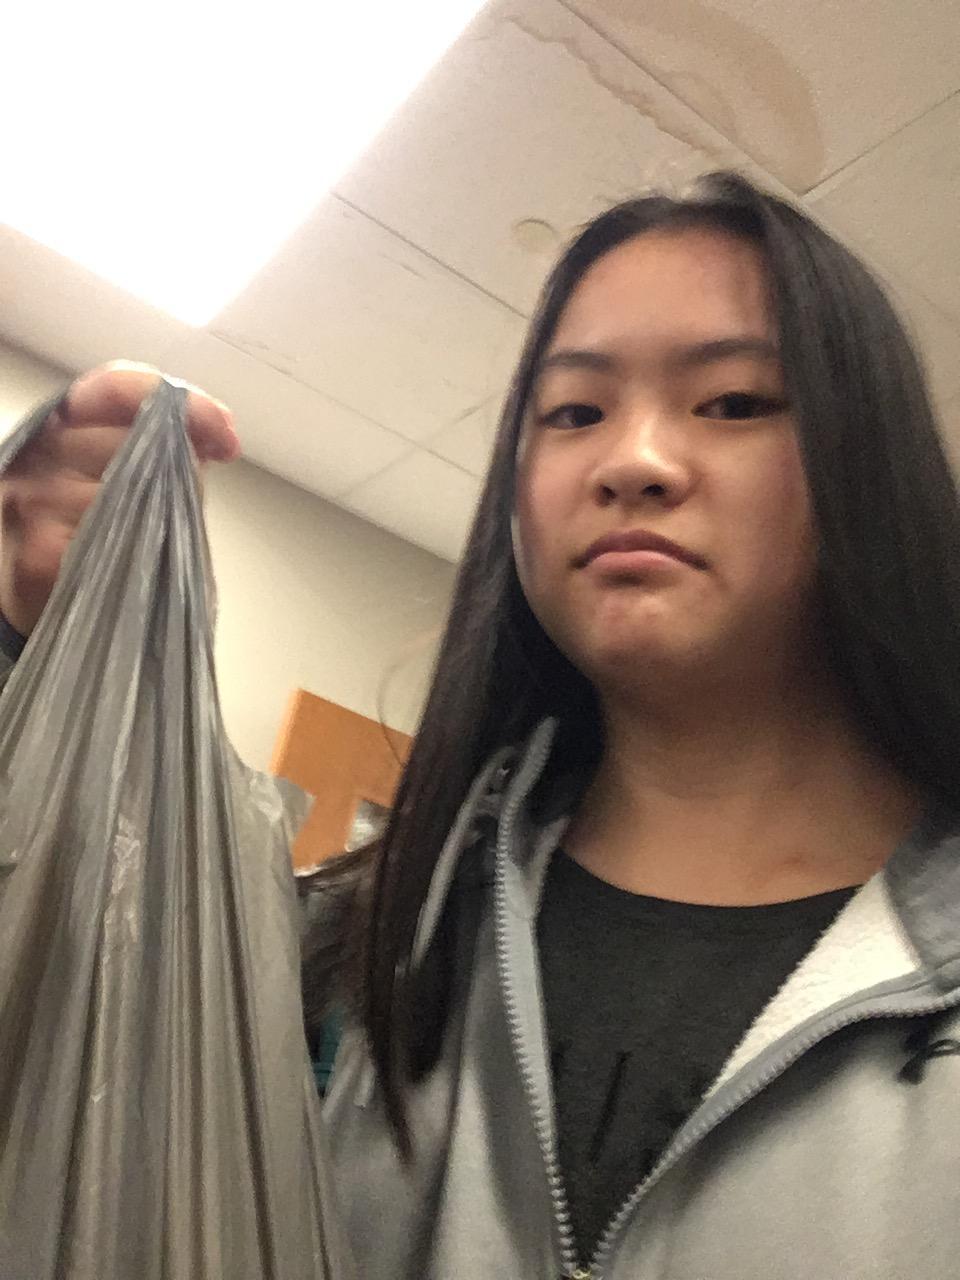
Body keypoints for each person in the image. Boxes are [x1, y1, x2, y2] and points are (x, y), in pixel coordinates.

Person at [4, 171, 960, 1279]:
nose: (633, 460)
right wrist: (29, 645)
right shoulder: (345, 951)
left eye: (736, 401)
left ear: (869, 460)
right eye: (574, 412)